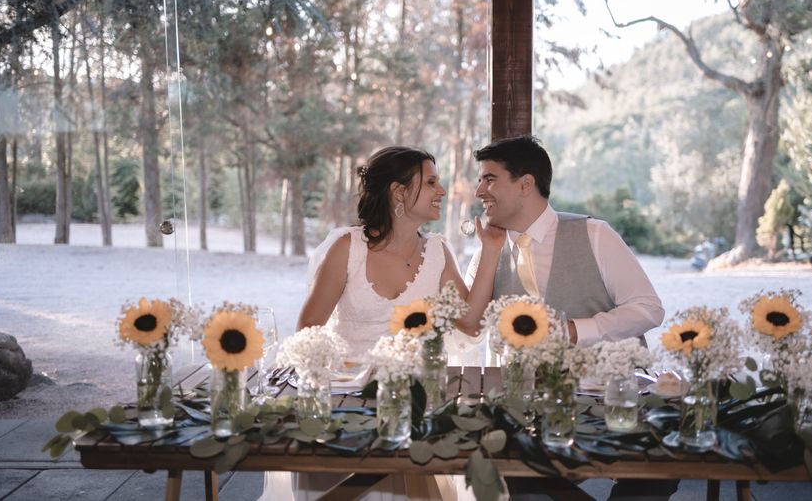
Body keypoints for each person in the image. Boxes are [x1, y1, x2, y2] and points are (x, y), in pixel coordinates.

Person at [259, 146, 504, 501]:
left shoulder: (438, 251)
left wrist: (492, 251)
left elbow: (468, 321)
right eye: (432, 181)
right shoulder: (348, 247)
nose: (442, 191)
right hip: (345, 406)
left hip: (413, 406)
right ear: (399, 192)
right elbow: (309, 332)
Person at [465, 136, 674, 500]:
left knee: (655, 474)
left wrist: (575, 331)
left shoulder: (594, 234)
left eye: (489, 178)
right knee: (516, 472)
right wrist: (488, 253)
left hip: (609, 401)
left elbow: (648, 308)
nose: (479, 189)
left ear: (526, 184)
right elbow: (472, 325)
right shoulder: (488, 250)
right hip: (530, 410)